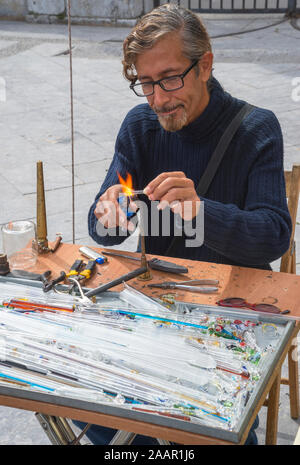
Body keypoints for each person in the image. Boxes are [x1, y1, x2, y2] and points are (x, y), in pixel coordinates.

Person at [78, 4, 291, 445]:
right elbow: (101, 228)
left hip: (230, 311)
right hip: (153, 306)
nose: (158, 99)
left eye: (170, 78)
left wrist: (202, 211)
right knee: (91, 403)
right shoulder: (141, 126)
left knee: (212, 425)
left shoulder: (255, 129)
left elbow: (273, 234)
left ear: (205, 65)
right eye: (146, 83)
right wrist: (110, 214)